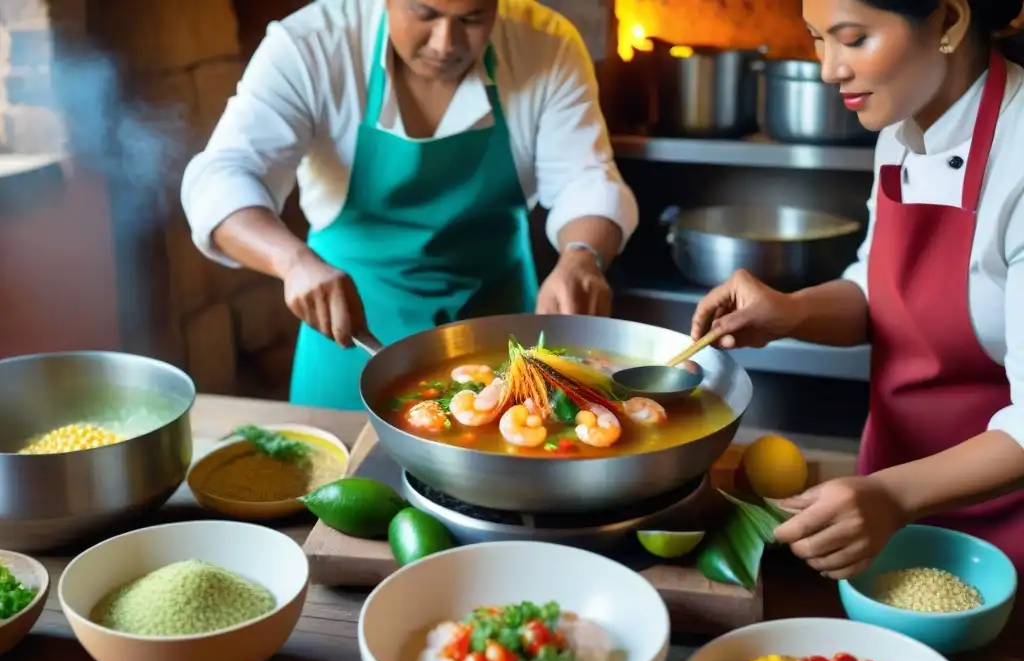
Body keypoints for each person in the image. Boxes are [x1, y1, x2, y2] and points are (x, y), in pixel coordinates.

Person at [691, 0, 1024, 577]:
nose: (827, 69)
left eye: (852, 39)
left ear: (949, 22)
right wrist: (789, 312)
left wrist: (894, 496)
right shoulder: (901, 125)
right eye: (818, 38)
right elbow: (879, 292)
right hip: (878, 512)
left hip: (1000, 534)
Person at [181, 0, 638, 410]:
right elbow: (223, 175)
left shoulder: (548, 44)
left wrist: (584, 256)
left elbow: (586, 177)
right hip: (351, 336)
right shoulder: (311, 45)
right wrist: (293, 260)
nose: (447, 42)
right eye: (425, 13)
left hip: (501, 332)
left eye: (473, 18)